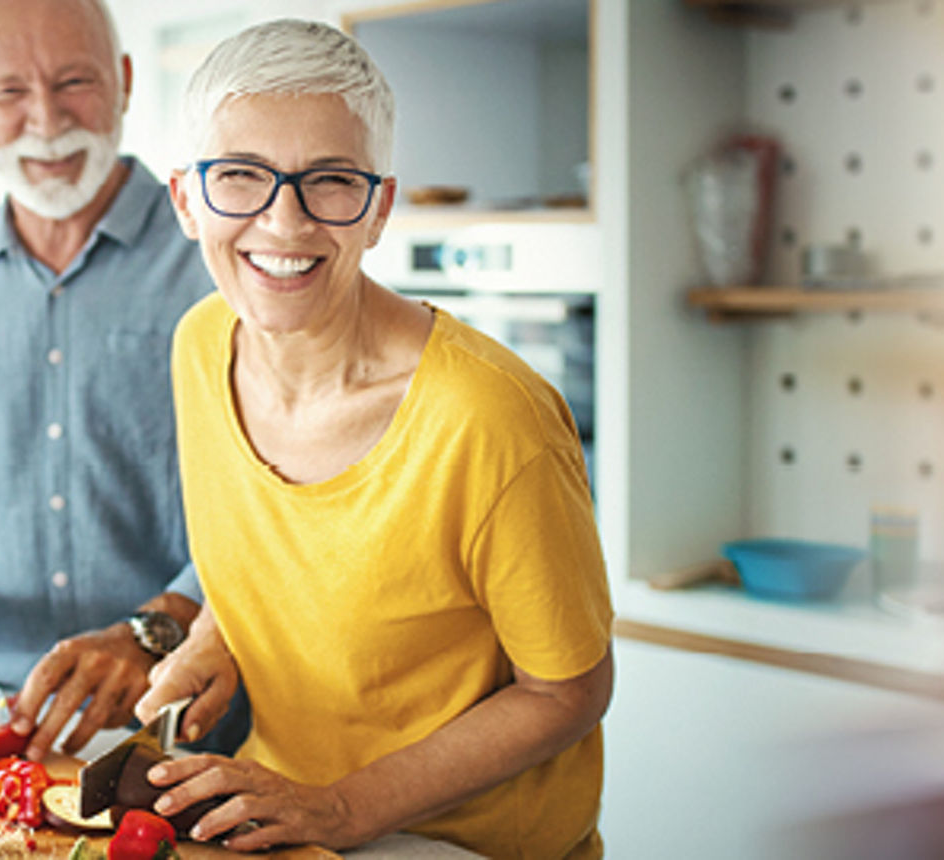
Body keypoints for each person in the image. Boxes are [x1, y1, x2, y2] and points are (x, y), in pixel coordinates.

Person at [134, 18, 614, 858]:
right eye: (240, 176)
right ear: (186, 199)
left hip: (462, 842)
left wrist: (344, 809)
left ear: (379, 209)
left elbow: (568, 690)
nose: (284, 223)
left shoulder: (491, 416)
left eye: (329, 182)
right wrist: (219, 637)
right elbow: (285, 557)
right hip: (285, 822)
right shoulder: (200, 344)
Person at [0, 0, 246, 761]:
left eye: (75, 81)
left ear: (126, 82)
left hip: (191, 727)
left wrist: (155, 630)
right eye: (8, 92)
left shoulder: (227, 265)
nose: (46, 120)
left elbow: (281, 506)